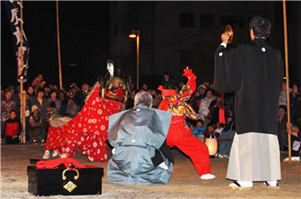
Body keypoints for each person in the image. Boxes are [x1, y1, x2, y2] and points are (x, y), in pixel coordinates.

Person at [212, 16, 283, 189]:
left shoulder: (243, 49)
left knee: (247, 139)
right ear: (268, 33)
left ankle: (245, 179)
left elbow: (225, 63)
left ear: (251, 32)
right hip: (269, 106)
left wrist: (224, 44)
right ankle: (271, 178)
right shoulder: (276, 53)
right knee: (268, 138)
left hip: (249, 103)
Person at [158, 67, 215, 180]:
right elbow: (190, 88)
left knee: (154, 148)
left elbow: (157, 119)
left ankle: (153, 165)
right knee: (201, 148)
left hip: (167, 133)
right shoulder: (180, 98)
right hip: (180, 132)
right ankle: (205, 173)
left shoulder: (163, 103)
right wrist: (190, 76)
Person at [107, 91, 173, 185]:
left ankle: (125, 177)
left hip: (123, 158)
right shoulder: (156, 116)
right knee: (163, 156)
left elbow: (114, 140)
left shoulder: (122, 115)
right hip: (145, 159)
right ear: (150, 105)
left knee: (117, 155)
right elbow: (159, 142)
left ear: (134, 103)